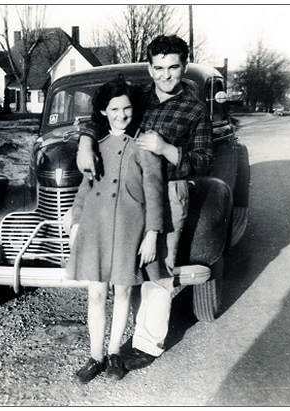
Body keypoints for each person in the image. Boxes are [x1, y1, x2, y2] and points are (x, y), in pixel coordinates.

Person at [76, 34, 213, 371]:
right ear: (150, 69)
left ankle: (147, 343)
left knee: (158, 267)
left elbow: (205, 160)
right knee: (129, 266)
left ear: (183, 66)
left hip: (171, 189)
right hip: (130, 189)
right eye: (159, 68)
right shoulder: (139, 98)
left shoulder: (195, 108)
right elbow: (104, 113)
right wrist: (84, 141)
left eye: (174, 67)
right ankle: (115, 343)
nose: (166, 75)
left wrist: (167, 149)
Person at [67, 76, 166, 384]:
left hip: (128, 230)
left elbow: (155, 192)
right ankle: (95, 356)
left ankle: (113, 354)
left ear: (133, 110)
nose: (121, 115)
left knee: (122, 291)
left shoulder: (145, 146)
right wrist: (75, 220)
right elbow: (86, 186)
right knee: (96, 294)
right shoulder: (95, 146)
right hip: (95, 229)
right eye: (113, 109)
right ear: (103, 113)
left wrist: (152, 233)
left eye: (126, 108)